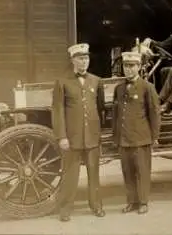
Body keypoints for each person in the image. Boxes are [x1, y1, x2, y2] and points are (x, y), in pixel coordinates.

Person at [52, 43, 105, 222]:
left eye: (86, 58)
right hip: (72, 138)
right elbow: (58, 111)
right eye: (80, 58)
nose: (84, 62)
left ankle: (96, 206)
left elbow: (100, 108)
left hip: (92, 137)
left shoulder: (96, 81)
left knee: (94, 174)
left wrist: (98, 133)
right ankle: (65, 209)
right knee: (70, 175)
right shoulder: (62, 82)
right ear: (72, 60)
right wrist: (62, 136)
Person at [112, 51, 161, 215]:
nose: (129, 70)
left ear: (139, 67)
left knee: (142, 172)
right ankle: (131, 202)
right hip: (124, 138)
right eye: (126, 66)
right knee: (128, 172)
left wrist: (154, 137)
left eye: (132, 66)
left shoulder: (147, 87)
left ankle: (143, 202)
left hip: (141, 138)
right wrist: (116, 137)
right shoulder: (119, 88)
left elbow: (154, 113)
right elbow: (116, 115)